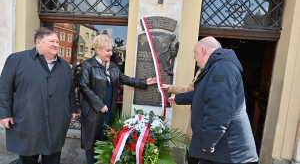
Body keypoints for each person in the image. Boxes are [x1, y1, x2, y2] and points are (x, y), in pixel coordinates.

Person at [168, 36, 258, 164]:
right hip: (220, 152)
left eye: (195, 52)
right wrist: (178, 98)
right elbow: (202, 94)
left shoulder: (222, 68)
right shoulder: (216, 67)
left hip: (228, 153)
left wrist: (208, 142)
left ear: (203, 50)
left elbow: (220, 109)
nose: (194, 57)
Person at [0, 27, 78, 164]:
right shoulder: (16, 60)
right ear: (38, 42)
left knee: (53, 157)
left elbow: (70, 90)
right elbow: (4, 88)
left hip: (56, 121)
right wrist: (5, 113)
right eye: (51, 41)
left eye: (57, 41)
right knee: (28, 157)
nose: (56, 44)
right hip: (28, 119)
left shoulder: (65, 66)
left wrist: (72, 109)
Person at [79, 34, 157, 164]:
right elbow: (84, 86)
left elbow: (125, 79)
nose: (111, 53)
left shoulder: (113, 67)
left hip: (109, 111)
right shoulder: (88, 65)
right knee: (92, 143)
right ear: (98, 50)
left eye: (111, 50)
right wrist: (99, 104)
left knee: (106, 141)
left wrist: (144, 82)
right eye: (108, 50)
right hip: (94, 112)